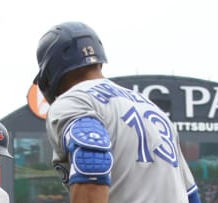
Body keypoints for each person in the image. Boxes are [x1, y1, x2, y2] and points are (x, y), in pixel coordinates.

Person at [33, 21, 202, 203]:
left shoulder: (73, 100)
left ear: (50, 70)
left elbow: (91, 164)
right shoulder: (151, 107)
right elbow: (191, 194)